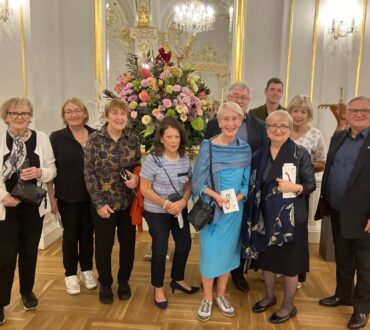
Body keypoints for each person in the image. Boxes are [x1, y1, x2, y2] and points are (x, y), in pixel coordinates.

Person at [244, 110, 315, 324]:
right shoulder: (258, 153)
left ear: (290, 129)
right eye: (273, 125)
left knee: (290, 264)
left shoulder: (299, 153)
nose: (277, 129)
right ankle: (269, 296)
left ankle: (288, 305)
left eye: (283, 126)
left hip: (291, 220)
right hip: (264, 217)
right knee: (267, 261)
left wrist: (296, 187)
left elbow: (310, 184)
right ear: (266, 129)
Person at [204, 82, 267, 293]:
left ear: (249, 101)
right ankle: (212, 277)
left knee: (239, 237)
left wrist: (240, 195)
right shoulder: (213, 125)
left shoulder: (259, 125)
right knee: (214, 241)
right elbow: (206, 164)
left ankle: (237, 273)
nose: (239, 100)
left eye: (244, 97)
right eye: (235, 96)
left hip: (243, 192)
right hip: (215, 193)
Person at [315, 96, 370, 330]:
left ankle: (362, 308)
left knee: (366, 265)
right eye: (354, 110)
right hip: (337, 210)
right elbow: (331, 168)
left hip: (364, 217)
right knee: (343, 258)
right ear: (346, 114)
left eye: (365, 110)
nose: (359, 114)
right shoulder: (339, 137)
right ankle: (343, 295)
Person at [193, 102, 251, 321]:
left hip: (234, 211)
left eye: (234, 118)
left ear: (241, 121)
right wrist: (216, 197)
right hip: (212, 211)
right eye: (225, 119)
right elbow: (198, 181)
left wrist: (234, 199)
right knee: (210, 255)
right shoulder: (208, 146)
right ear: (218, 122)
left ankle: (220, 296)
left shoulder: (244, 149)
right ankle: (207, 299)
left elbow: (247, 184)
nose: (230, 123)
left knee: (227, 256)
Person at [0, 97, 56, 325]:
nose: (20, 117)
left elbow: (52, 169)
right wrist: (3, 196)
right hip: (6, 208)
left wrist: (40, 173)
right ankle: (1, 301)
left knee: (29, 253)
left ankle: (27, 292)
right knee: (4, 257)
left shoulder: (41, 138)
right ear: (6, 117)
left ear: (30, 116)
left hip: (33, 207)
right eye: (14, 113)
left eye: (24, 113)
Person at [84, 99, 141, 304]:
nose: (119, 117)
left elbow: (138, 166)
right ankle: (105, 283)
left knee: (128, 245)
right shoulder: (94, 140)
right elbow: (89, 174)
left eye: (123, 114)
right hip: (103, 205)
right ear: (106, 116)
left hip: (127, 203)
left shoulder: (133, 140)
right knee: (103, 246)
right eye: (115, 113)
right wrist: (98, 204)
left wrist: (136, 179)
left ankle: (123, 281)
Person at [140, 117, 198, 310]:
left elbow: (188, 184)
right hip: (157, 210)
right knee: (161, 249)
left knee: (184, 243)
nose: (174, 141)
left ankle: (178, 279)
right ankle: (158, 288)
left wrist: (182, 202)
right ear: (161, 139)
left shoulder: (184, 158)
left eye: (177, 137)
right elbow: (145, 188)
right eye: (169, 137)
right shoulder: (152, 159)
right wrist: (166, 204)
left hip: (179, 209)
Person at [49, 97, 97, 295]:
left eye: (77, 110)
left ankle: (86, 270)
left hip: (93, 198)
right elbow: (50, 170)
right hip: (67, 197)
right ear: (64, 116)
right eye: (69, 111)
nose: (74, 114)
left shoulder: (96, 135)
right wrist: (52, 198)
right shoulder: (56, 137)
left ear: (85, 113)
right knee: (70, 237)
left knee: (87, 236)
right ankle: (70, 274)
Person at [288, 95, 326, 172]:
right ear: (289, 113)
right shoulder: (282, 131)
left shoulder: (316, 134)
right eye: (295, 111)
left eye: (303, 112)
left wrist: (304, 164)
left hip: (305, 181)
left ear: (308, 115)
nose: (299, 115)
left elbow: (322, 164)